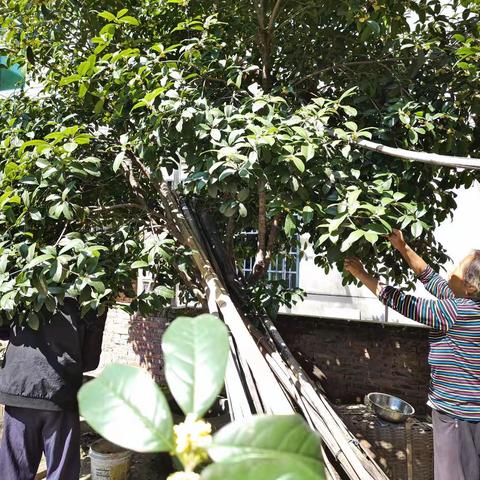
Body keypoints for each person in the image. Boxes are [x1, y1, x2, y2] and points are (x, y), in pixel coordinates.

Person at [344, 230, 480, 480]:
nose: (451, 270)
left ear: (470, 287)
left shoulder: (455, 312)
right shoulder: (469, 305)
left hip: (457, 417)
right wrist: (402, 247)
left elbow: (403, 303)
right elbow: (431, 279)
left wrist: (361, 274)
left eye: (457, 268)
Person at [0, 297, 107, 480]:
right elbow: (90, 360)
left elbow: (2, 330)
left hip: (20, 385)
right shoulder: (91, 293)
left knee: (14, 472)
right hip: (60, 390)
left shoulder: (19, 277)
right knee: (61, 472)